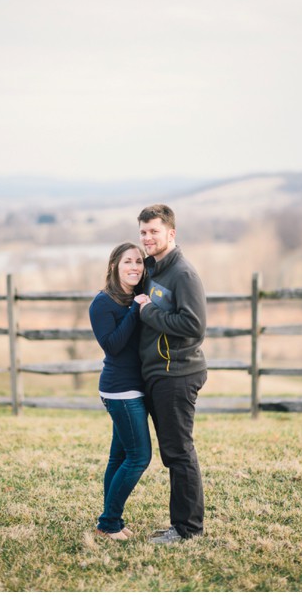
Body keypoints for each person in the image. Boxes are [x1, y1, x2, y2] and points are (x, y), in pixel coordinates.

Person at [135, 204, 207, 544]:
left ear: (171, 233)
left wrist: (149, 312)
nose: (148, 238)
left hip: (177, 372)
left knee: (179, 451)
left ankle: (187, 529)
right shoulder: (153, 268)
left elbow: (194, 326)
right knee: (172, 451)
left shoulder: (183, 274)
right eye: (144, 232)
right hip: (157, 372)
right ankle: (180, 524)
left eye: (154, 231)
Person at [89, 243, 153, 541]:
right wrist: (135, 311)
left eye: (139, 262)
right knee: (139, 456)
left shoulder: (136, 299)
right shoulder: (102, 303)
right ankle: (108, 522)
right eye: (128, 261)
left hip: (135, 388)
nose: (135, 267)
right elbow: (113, 346)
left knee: (119, 457)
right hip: (120, 390)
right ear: (114, 265)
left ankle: (111, 519)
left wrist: (139, 306)